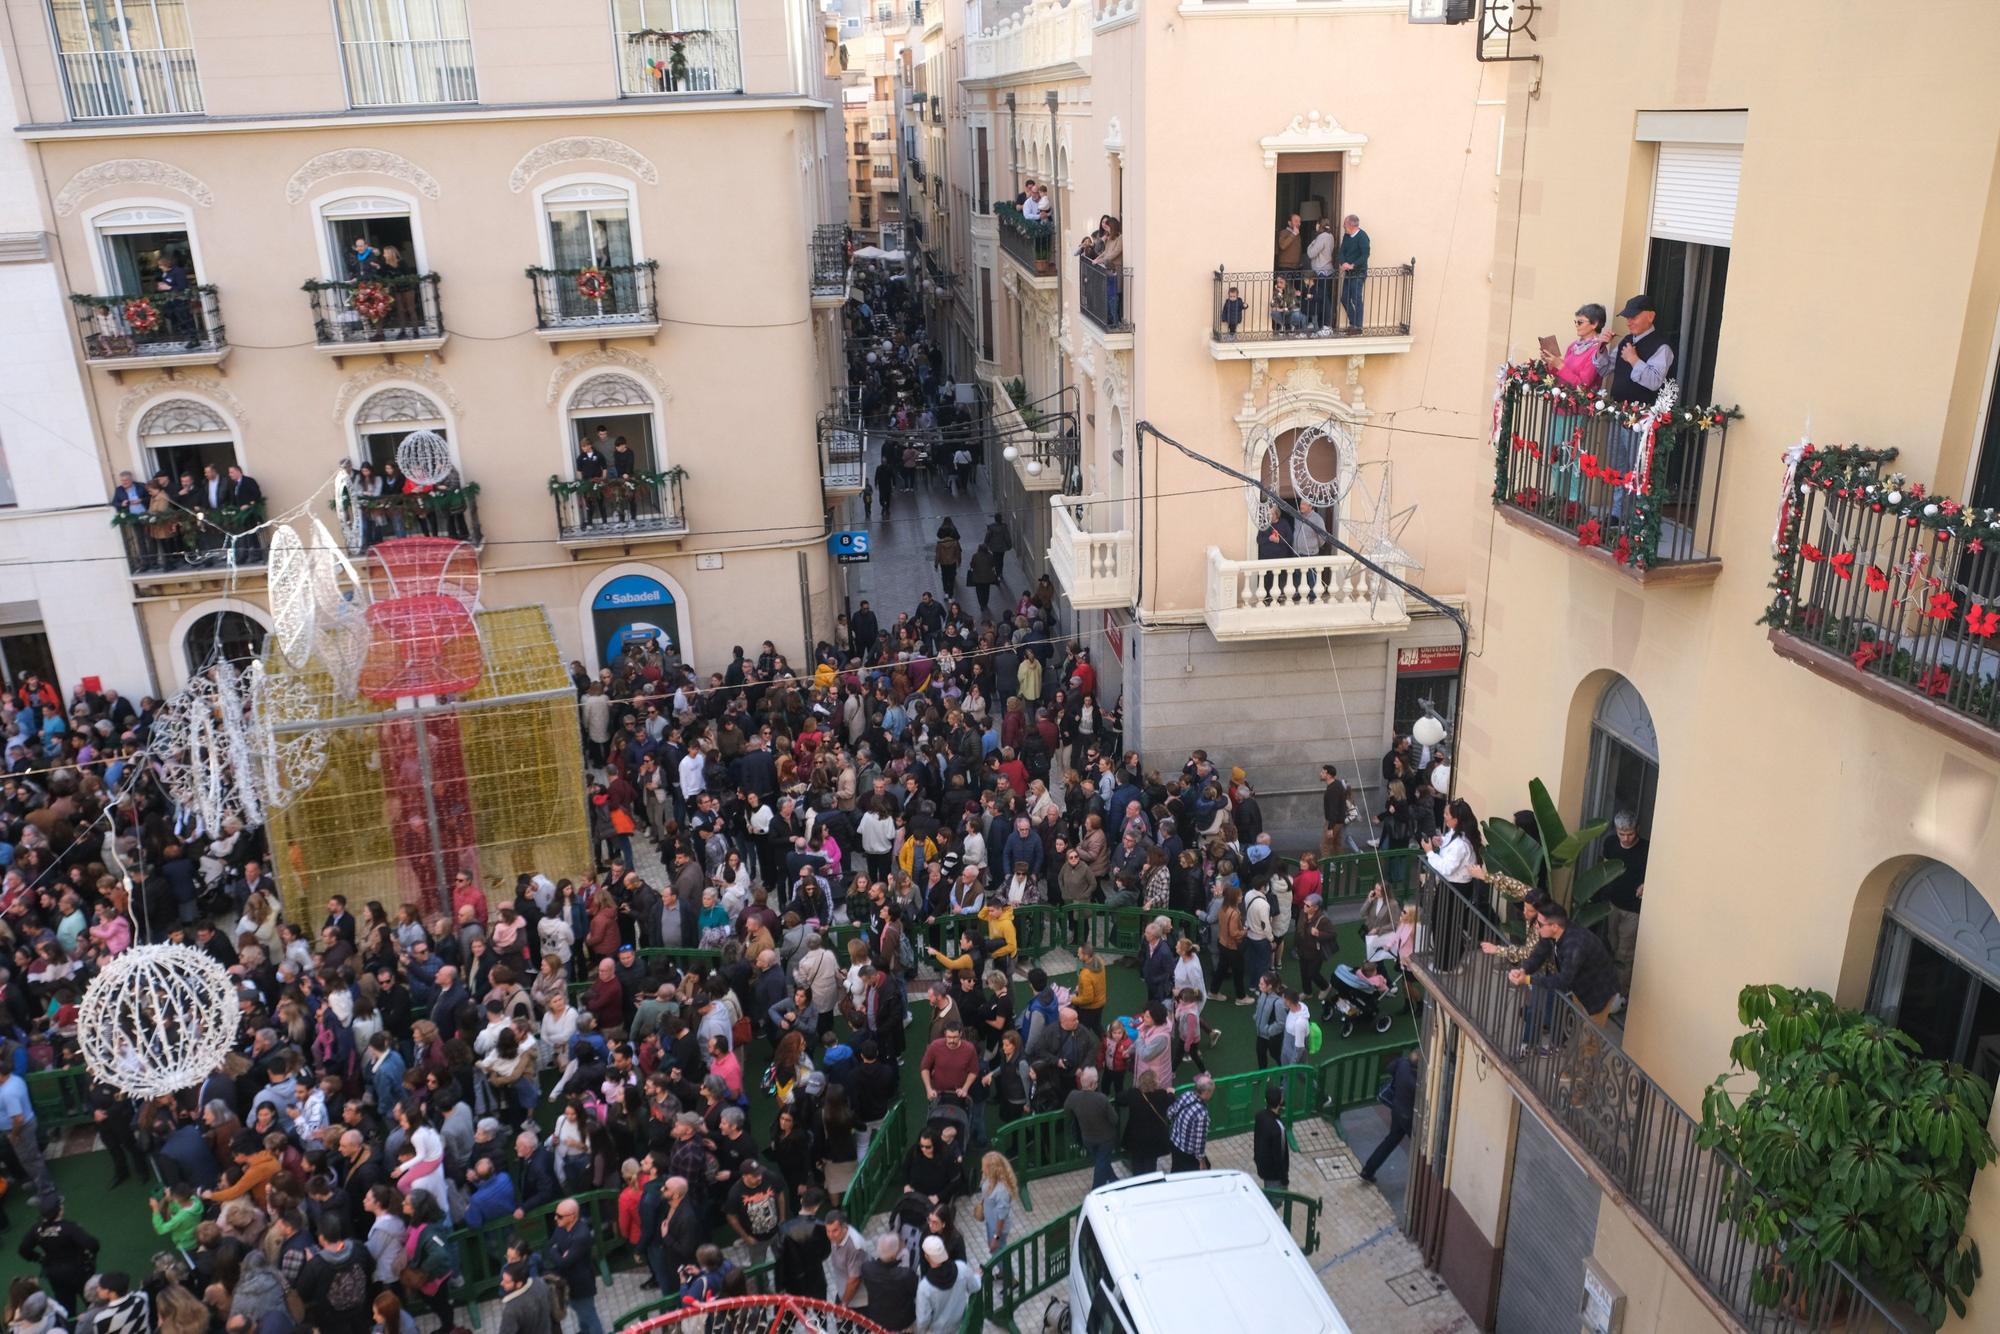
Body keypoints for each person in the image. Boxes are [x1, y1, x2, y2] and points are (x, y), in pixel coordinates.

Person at [1603, 294, 1674, 520]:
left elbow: (1654, 381)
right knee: (1618, 464)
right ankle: (1617, 514)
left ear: (1650, 316)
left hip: (1641, 418)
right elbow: (1605, 369)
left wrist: (1634, 359)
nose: (1629, 321)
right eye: (1627, 317)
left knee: (1637, 467)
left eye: (1634, 316)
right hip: (1619, 413)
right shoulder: (1626, 342)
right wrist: (1601, 348)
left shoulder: (1661, 347)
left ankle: (1635, 518)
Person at [1421, 798, 1483, 971]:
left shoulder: (1461, 844)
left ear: (1456, 819)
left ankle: (1447, 965)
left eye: (1447, 814)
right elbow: (1449, 850)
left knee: (1444, 925)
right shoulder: (1455, 834)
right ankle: (1447, 960)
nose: (1444, 816)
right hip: (1452, 886)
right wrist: (1440, 842)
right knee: (1441, 922)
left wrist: (1430, 853)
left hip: (1456, 888)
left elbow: (1447, 868)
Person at [1596, 811, 1648, 1002]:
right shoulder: (1610, 843)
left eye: (1630, 834)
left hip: (1633, 910)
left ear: (1638, 830)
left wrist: (1645, 884)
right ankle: (1611, 988)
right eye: (1621, 834)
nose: (1626, 838)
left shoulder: (1646, 850)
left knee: (1625, 954)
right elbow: (1605, 868)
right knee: (1612, 944)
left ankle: (1620, 995)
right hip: (1613, 904)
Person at [1359, 1047, 1419, 1184]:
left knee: (1391, 1140)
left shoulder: (1402, 1064)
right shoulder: (1418, 1081)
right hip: (1410, 1115)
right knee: (1420, 1149)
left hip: (1397, 1108)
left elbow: (1390, 1068)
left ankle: (1369, 1169)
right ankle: (1417, 1182)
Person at [543, 1198, 603, 1334]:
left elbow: (564, 1262)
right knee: (582, 1314)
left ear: (572, 1217)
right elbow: (549, 1246)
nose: (555, 1218)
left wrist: (555, 1250)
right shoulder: (561, 1228)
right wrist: (557, 1251)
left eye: (559, 1216)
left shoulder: (581, 1235)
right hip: (566, 1282)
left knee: (588, 1315)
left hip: (580, 1285)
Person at [913, 1235, 981, 1334]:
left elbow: (923, 1320)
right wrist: (978, 1276)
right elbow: (975, 1287)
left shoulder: (924, 1287)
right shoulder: (962, 1267)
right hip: (960, 1324)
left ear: (927, 1257)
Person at [1064, 1067, 1119, 1189]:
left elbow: (1067, 1109)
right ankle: (1096, 1191)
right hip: (1106, 1139)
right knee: (1101, 1163)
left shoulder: (1073, 1096)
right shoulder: (1102, 1099)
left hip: (1087, 1138)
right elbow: (1114, 1119)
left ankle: (1115, 1181)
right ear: (1093, 1084)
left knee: (1102, 1161)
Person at [860, 1233, 919, 1331]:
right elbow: (916, 1292)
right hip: (903, 1322)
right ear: (894, 1255)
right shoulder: (905, 1275)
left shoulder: (867, 1268)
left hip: (878, 1321)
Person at [1166, 1074, 1214, 1173]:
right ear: (1206, 1092)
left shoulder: (1186, 1095)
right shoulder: (1202, 1114)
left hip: (1174, 1143)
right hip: (1187, 1152)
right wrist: (1201, 1161)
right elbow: (1199, 1142)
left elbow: (1170, 1113)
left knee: (1176, 1169)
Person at [976, 1151, 1017, 1252]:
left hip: (997, 1229)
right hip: (990, 1222)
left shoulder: (1002, 1191)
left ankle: (1004, 1268)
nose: (982, 1169)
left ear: (991, 1169)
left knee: (998, 1254)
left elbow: (1001, 1218)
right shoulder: (988, 1178)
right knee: (993, 1249)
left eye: (984, 1167)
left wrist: (996, 1238)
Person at [1253, 1083, 1290, 1189]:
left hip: (1262, 1166)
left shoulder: (1259, 1116)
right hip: (1274, 1174)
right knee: (1274, 1202)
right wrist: (1284, 1178)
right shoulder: (1278, 1129)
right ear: (1280, 1102)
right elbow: (1280, 1156)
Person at [1306, 218, 1337, 333]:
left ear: (1319, 225)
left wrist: (1312, 242)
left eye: (1316, 224)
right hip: (1328, 271)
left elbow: (1310, 253)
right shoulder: (1331, 236)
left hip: (1321, 271)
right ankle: (1324, 325)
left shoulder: (1321, 237)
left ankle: (1325, 325)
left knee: (1323, 299)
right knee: (1325, 298)